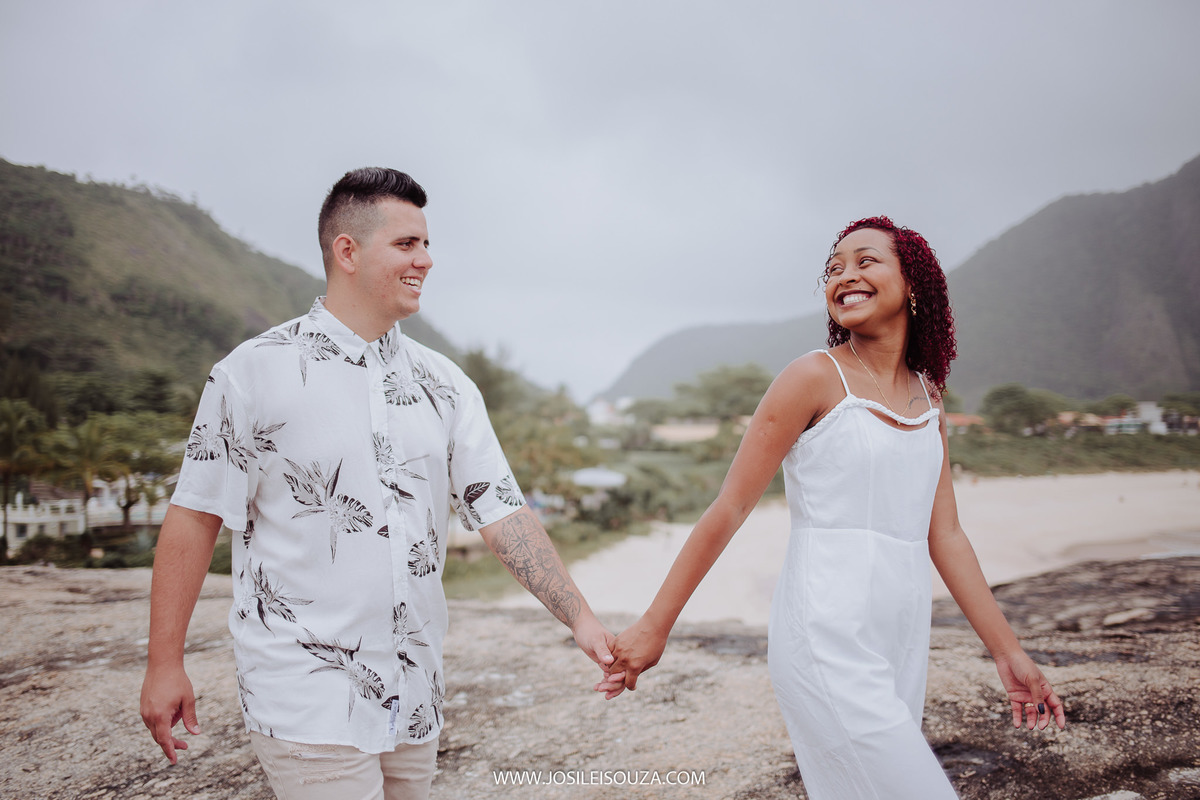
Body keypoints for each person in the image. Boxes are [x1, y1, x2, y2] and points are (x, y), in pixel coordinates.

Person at [140, 167, 616, 799]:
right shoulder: (251, 375)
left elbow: (501, 512)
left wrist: (580, 619)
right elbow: (195, 515)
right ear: (348, 251)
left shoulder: (445, 384)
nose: (426, 260)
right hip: (305, 693)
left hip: (416, 690)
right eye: (406, 244)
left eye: (426, 244)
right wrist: (164, 663)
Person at [596, 217, 1066, 799]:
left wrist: (1007, 652)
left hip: (902, 636)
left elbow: (945, 534)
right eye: (834, 268)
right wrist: (654, 627)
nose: (845, 276)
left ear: (913, 282)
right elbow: (730, 506)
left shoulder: (929, 396)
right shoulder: (813, 376)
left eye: (866, 261)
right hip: (823, 629)